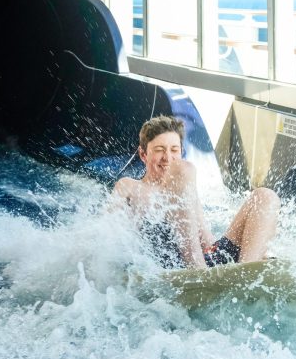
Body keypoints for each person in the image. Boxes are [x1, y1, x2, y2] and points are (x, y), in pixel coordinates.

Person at [112, 115, 280, 269]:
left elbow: (205, 238)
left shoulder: (185, 186)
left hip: (205, 260)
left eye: (174, 150)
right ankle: (198, 273)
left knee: (265, 196)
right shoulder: (129, 186)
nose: (168, 157)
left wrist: (252, 246)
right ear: (143, 154)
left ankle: (246, 272)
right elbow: (108, 236)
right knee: (184, 168)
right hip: (175, 268)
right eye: (159, 150)